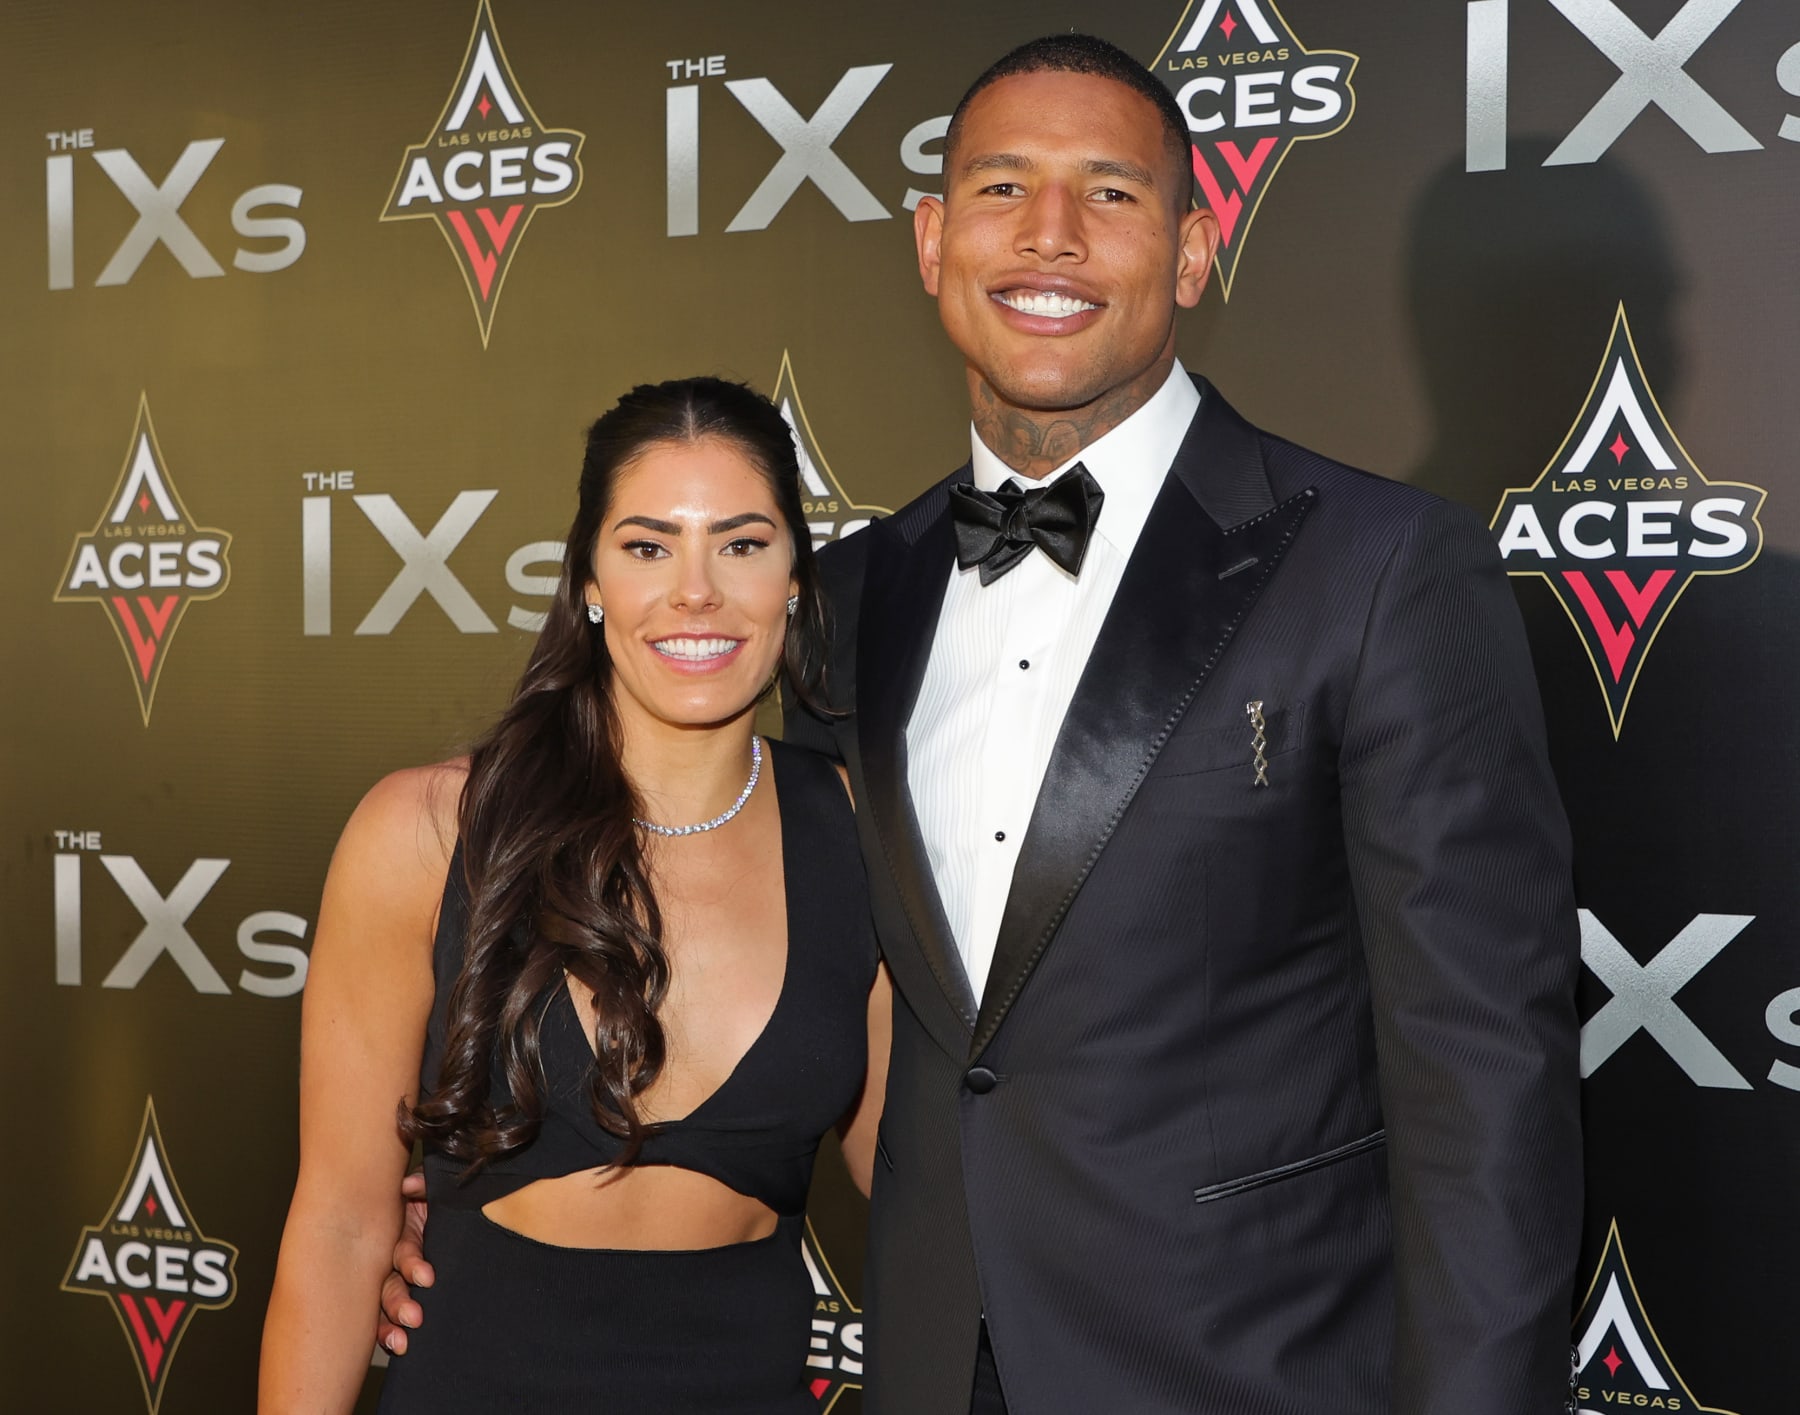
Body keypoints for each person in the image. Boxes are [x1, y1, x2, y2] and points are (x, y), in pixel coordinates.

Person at [384, 34, 1584, 1415]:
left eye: (1112, 194)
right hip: (933, 1365)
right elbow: (789, 979)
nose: (1052, 236)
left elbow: (1485, 1080)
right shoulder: (840, 602)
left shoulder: (1380, 570)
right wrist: (464, 1216)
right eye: (1004, 188)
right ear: (932, 240)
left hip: (1254, 1366)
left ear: (1195, 251)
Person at [261, 377, 888, 1414]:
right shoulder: (426, 832)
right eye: (648, 546)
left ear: (794, 578)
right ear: (590, 579)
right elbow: (337, 1222)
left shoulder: (862, 835)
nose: (696, 591)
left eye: (741, 543)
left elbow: (910, 1180)